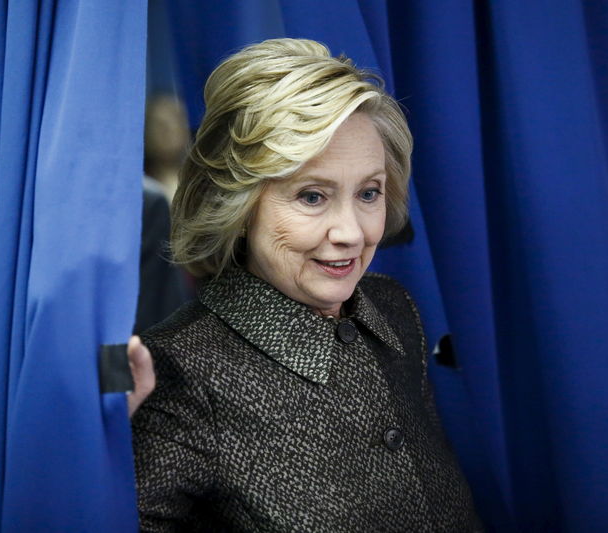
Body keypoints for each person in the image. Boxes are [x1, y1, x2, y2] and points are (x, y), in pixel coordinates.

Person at [130, 38, 484, 532]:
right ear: (238, 203)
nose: (352, 233)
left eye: (369, 193)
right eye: (312, 196)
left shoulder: (392, 309)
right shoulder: (179, 373)